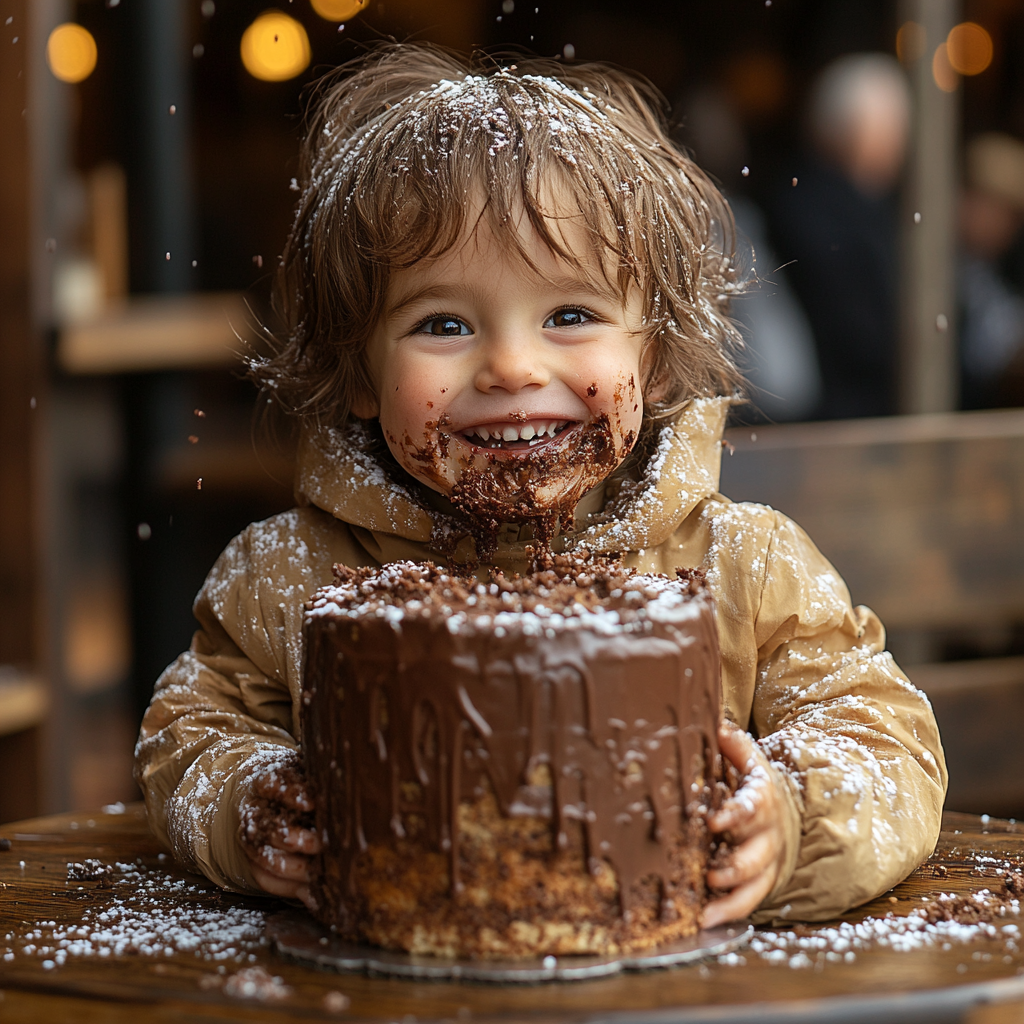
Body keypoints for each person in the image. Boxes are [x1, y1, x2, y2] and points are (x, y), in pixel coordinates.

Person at [134, 45, 946, 929]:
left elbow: (879, 739)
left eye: (570, 315)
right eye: (443, 324)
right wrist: (244, 805)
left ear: (657, 358)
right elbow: (192, 734)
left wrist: (790, 819)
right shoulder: (289, 576)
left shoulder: (741, 568)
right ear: (358, 372)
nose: (513, 367)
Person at [770, 54, 910, 419]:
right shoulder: (815, 208)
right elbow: (864, 334)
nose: (900, 144)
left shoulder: (840, 202)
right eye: (893, 128)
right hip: (839, 420)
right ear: (856, 130)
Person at [959, 133, 1024, 409]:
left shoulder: (984, 268)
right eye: (1002, 211)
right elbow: (986, 354)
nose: (1008, 228)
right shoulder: (934, 269)